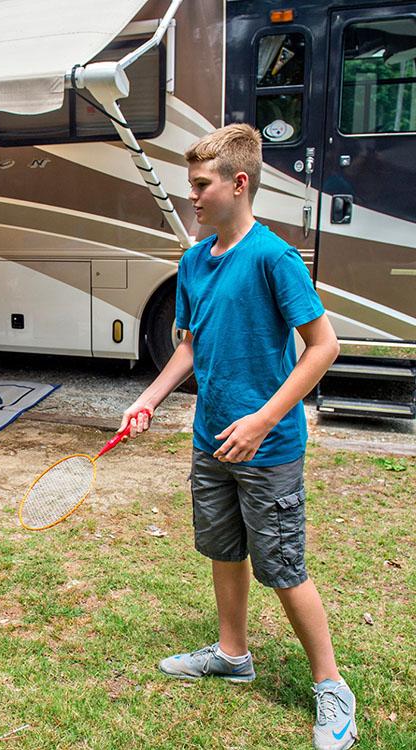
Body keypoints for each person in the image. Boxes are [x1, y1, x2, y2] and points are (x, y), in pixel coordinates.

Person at [119, 124, 354, 750]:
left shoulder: (274, 258)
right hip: (210, 440)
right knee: (224, 551)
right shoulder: (193, 261)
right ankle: (232, 652)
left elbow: (324, 347)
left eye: (200, 185)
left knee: (282, 566)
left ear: (238, 183)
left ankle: (331, 685)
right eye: (190, 185)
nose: (190, 198)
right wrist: (148, 397)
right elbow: (191, 345)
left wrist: (263, 420)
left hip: (267, 446)